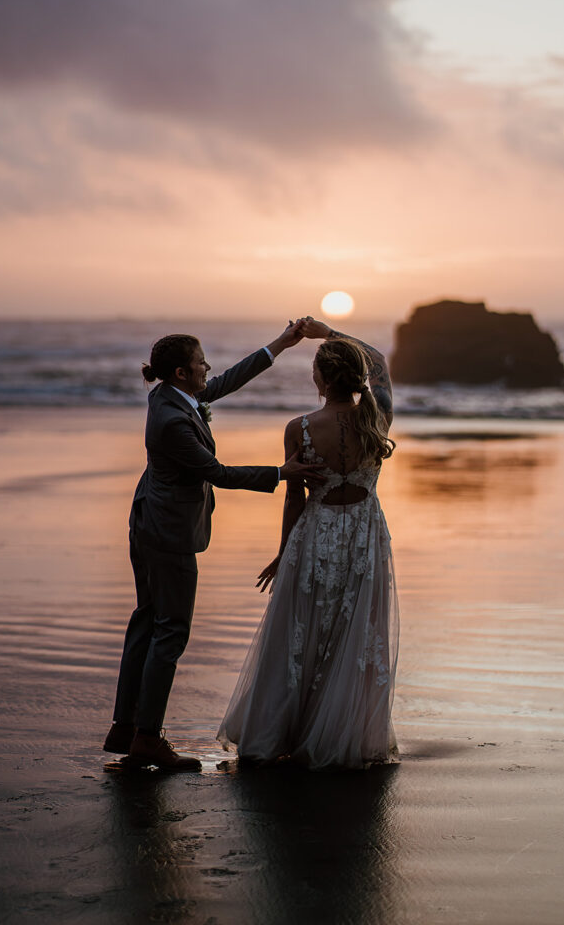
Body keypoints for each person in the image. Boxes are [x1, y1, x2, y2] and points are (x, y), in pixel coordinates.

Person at [104, 322, 323, 771]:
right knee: (170, 631)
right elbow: (217, 472)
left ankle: (126, 728)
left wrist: (280, 345)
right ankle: (147, 737)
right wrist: (282, 472)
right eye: (201, 362)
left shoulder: (170, 396)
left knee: (147, 622)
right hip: (167, 534)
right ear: (183, 372)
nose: (209, 367)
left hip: (149, 521)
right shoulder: (171, 421)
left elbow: (226, 382)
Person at [218, 317, 399, 769]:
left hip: (315, 534)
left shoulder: (298, 428)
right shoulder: (375, 419)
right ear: (356, 376)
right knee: (353, 634)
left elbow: (293, 497)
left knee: (303, 635)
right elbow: (379, 360)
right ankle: (341, 735)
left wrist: (284, 552)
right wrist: (327, 331)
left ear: (320, 379)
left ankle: (283, 732)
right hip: (363, 534)